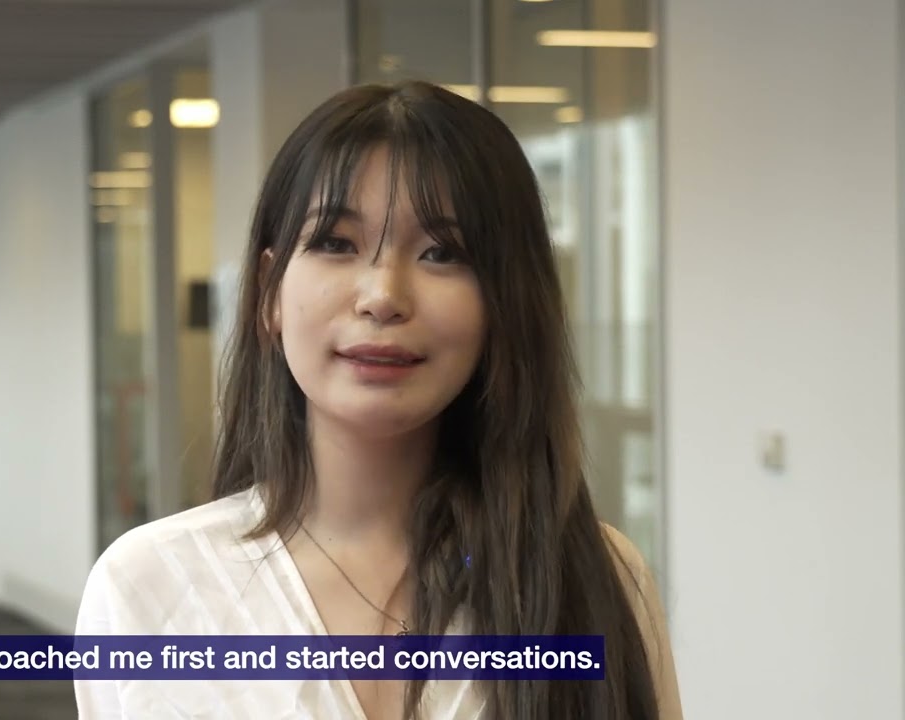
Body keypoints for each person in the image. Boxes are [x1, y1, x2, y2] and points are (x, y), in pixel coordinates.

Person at [75, 81, 682, 719]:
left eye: (442, 252)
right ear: (268, 294)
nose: (383, 295)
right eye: (336, 243)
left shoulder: (600, 579)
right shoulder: (151, 585)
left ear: (505, 304)